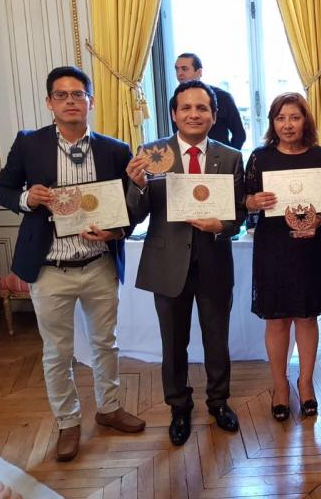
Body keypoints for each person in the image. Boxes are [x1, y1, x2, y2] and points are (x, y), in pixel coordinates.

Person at [0, 66, 145, 462]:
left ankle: (109, 409)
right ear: (49, 103)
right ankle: (67, 422)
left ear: (91, 102)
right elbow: (3, 189)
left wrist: (116, 233)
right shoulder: (29, 144)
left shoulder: (115, 149)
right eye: (61, 95)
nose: (71, 101)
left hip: (98, 264)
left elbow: (129, 207)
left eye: (78, 94)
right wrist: (29, 198)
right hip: (49, 268)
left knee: (105, 344)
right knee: (57, 352)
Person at [125, 80, 245, 446]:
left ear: (213, 114)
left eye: (202, 108)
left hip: (213, 262)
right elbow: (134, 215)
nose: (194, 114)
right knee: (173, 342)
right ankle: (179, 406)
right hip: (167, 264)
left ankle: (218, 401)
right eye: (186, 108)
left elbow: (238, 215)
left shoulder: (229, 157)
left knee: (216, 340)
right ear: (174, 114)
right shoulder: (151, 153)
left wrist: (221, 225)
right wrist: (139, 185)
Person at [244, 92, 321, 421]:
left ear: (305, 120)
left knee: (307, 317)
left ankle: (306, 384)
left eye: (294, 117)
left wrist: (317, 219)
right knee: (277, 318)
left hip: (310, 247)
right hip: (273, 247)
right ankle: (280, 386)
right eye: (280, 118)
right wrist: (255, 201)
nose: (287, 124)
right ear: (272, 123)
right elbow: (244, 200)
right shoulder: (259, 157)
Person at [173, 53, 246, 149]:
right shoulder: (175, 100)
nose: (179, 73)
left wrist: (230, 159)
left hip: (220, 158)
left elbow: (239, 134)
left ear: (199, 72)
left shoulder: (223, 97)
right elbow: (178, 135)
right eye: (177, 69)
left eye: (184, 69)